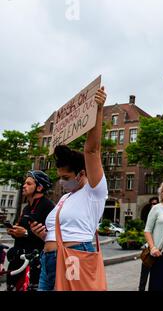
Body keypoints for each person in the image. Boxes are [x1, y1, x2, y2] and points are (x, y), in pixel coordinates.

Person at [30, 87, 108, 291]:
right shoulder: (65, 198)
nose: (61, 183)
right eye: (59, 178)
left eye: (65, 177)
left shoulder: (94, 191)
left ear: (82, 174)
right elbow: (60, 231)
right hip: (49, 261)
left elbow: (92, 150)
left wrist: (98, 110)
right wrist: (44, 235)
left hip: (74, 258)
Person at [5, 170, 54, 291]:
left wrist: (26, 233)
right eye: (24, 183)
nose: (24, 186)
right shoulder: (26, 208)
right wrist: (14, 232)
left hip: (35, 262)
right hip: (18, 259)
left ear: (39, 187)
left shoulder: (49, 206)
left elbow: (51, 235)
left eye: (28, 183)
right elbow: (22, 232)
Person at [138, 196, 159, 291]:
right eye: (152, 204)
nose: (153, 205)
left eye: (155, 203)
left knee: (155, 275)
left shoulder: (160, 216)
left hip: (159, 249)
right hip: (149, 249)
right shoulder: (150, 216)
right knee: (144, 274)